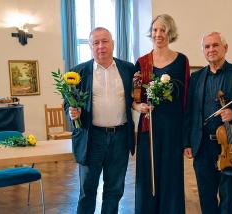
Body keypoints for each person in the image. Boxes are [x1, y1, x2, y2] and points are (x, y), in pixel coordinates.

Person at [183, 31, 232, 214]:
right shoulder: (196, 78)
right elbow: (190, 113)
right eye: (207, 46)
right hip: (202, 146)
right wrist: (187, 142)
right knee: (205, 195)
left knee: (227, 196)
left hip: (230, 146)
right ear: (203, 50)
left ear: (225, 48)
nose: (211, 50)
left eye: (215, 45)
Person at [67, 27, 135, 214]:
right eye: (96, 42)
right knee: (87, 191)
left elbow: (136, 97)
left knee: (115, 190)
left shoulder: (128, 69)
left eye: (105, 41)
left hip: (120, 137)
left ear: (113, 44)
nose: (101, 46)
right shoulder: (77, 73)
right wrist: (72, 113)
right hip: (91, 138)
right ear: (90, 46)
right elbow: (68, 104)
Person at [132, 14, 190, 214]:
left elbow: (186, 98)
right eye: (155, 30)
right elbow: (135, 96)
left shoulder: (182, 60)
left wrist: (186, 136)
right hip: (150, 125)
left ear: (170, 33)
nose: (158, 34)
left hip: (173, 126)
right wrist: (137, 107)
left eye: (163, 30)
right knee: (148, 173)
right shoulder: (142, 62)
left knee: (171, 172)